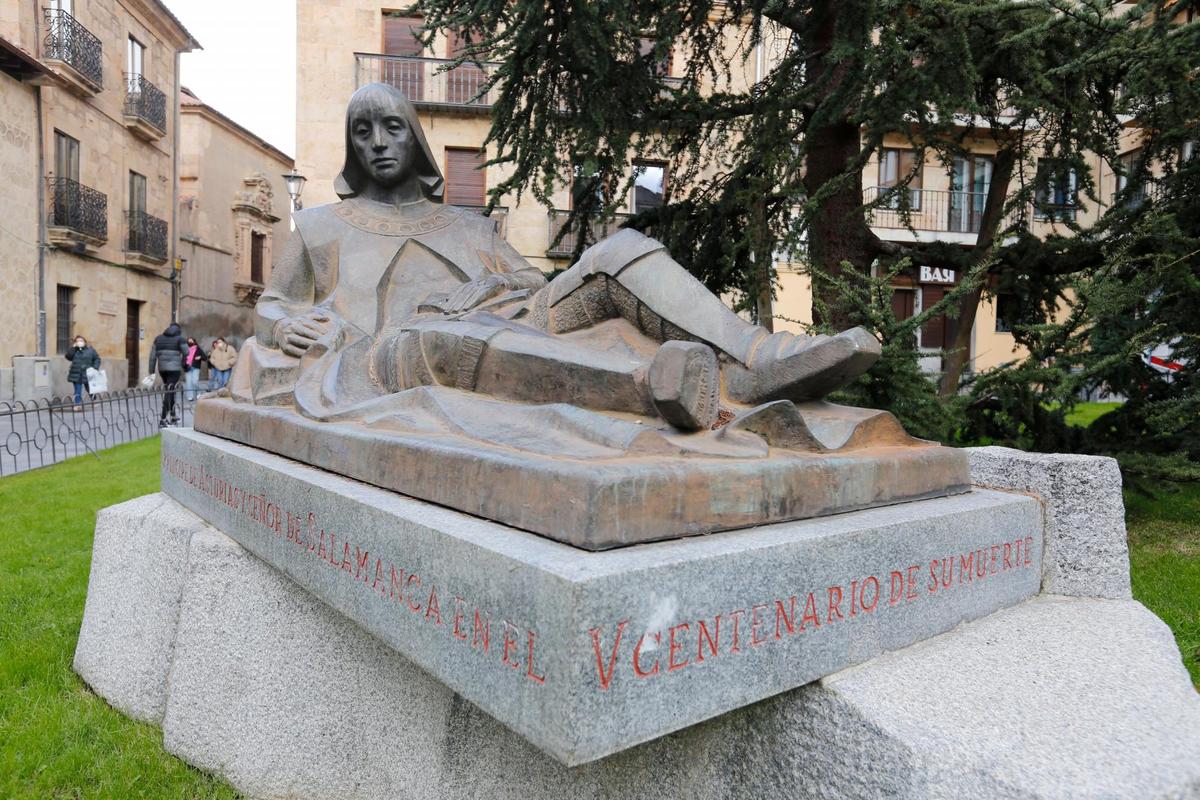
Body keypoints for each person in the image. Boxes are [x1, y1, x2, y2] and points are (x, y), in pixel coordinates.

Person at [242, 82, 878, 432]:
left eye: (392, 127)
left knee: (619, 249)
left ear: (415, 139)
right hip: (401, 349)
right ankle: (659, 391)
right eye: (363, 131)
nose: (378, 143)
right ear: (351, 147)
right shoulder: (320, 226)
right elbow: (271, 304)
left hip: (510, 315)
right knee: (437, 334)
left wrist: (487, 292)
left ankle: (754, 361)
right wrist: (280, 323)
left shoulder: (467, 224)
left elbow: (524, 277)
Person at [149, 322, 188, 426]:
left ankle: (173, 416)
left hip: (162, 369)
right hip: (174, 370)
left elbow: (152, 356)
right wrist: (185, 363)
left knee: (170, 391)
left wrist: (151, 371)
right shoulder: (180, 339)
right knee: (169, 392)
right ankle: (162, 418)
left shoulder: (158, 338)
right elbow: (187, 353)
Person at [64, 335, 100, 409]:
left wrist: (95, 368)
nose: (79, 342)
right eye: (77, 341)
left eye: (81, 340)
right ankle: (78, 404)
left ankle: (94, 400)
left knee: (90, 389)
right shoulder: (74, 350)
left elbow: (97, 359)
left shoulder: (90, 350)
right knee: (77, 390)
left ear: (85, 342)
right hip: (77, 373)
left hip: (88, 373)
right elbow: (68, 357)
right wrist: (73, 348)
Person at [182, 337, 207, 402]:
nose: (190, 342)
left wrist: (200, 357)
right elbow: (183, 359)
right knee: (189, 383)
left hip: (195, 367)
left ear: (194, 341)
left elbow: (205, 357)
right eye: (188, 341)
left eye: (191, 340)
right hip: (187, 367)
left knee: (195, 382)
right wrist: (184, 365)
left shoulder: (198, 349)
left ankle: (198, 393)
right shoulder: (185, 349)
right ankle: (190, 396)